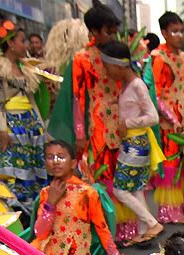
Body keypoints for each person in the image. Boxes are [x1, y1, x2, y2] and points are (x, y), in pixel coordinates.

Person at [0, 18, 54, 207]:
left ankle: (33, 206)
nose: (26, 45)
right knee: (13, 169)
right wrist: (3, 130)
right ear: (11, 44)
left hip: (29, 124)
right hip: (11, 125)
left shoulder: (26, 68)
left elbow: (32, 101)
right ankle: (16, 208)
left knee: (32, 165)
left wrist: (41, 127)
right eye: (22, 41)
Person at [102, 41, 165, 246]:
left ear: (119, 65)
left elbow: (153, 117)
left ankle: (151, 223)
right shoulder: (129, 85)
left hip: (136, 143)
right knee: (137, 187)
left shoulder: (137, 85)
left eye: (108, 66)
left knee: (121, 190)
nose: (106, 71)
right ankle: (144, 231)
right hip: (133, 142)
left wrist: (127, 123)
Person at [30, 139, 123, 255]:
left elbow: (101, 227)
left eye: (61, 157)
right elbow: (40, 233)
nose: (56, 161)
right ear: (46, 164)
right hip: (46, 249)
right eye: (50, 157)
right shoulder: (46, 193)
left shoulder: (87, 193)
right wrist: (50, 204)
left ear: (73, 163)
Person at [147, 11, 184, 225]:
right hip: (166, 119)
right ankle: (169, 209)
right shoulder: (157, 58)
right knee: (171, 161)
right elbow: (156, 93)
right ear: (164, 33)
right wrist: (172, 118)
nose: (179, 35)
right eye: (174, 31)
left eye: (181, 31)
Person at [72, 5, 122, 190]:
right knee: (100, 169)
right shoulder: (82, 58)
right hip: (96, 125)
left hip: (121, 122)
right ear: (93, 31)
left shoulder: (119, 52)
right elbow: (77, 98)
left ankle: (125, 216)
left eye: (114, 32)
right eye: (108, 31)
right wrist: (80, 134)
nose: (112, 36)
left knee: (122, 171)